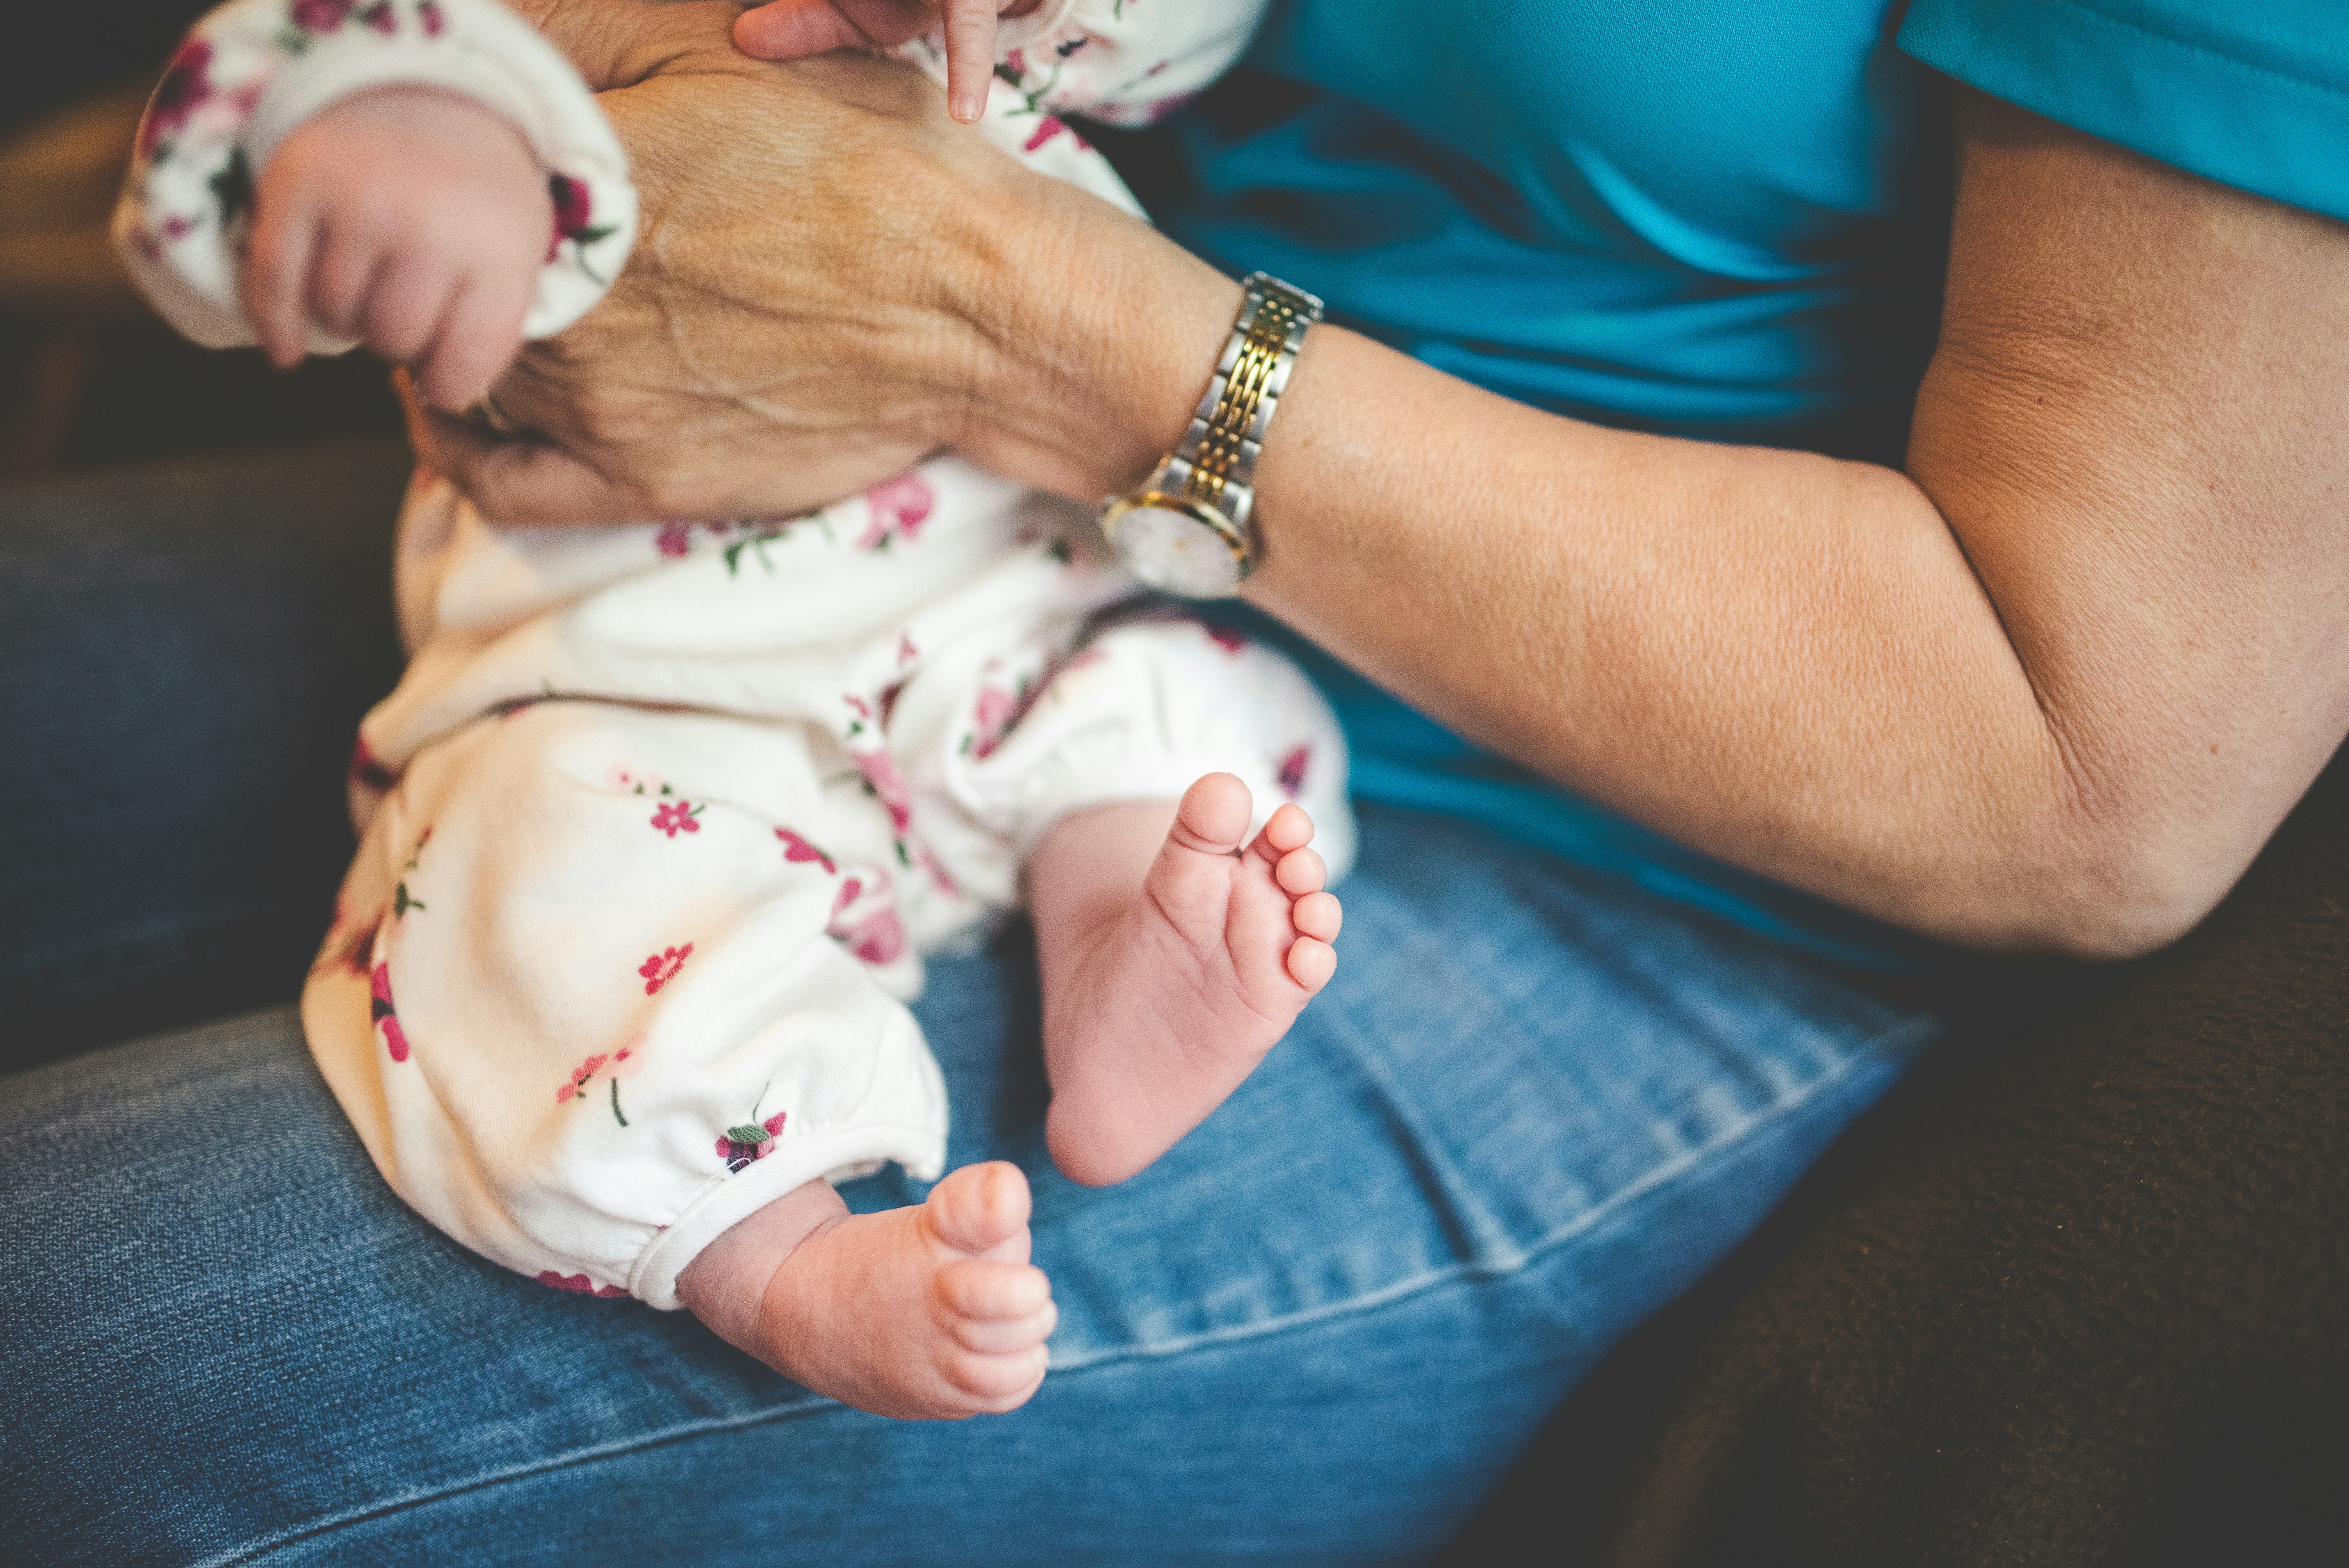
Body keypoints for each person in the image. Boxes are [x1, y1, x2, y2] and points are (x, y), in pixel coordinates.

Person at [4, 0, 2342, 1559]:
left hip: (1545, 809)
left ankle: (784, 1206)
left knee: (71, 1332)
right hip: (809, 521)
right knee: (504, 788)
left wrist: (1014, 313)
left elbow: (2091, 770)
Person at [112, 0, 1352, 1423]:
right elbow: (237, 114)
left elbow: (1182, 35)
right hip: (645, 677)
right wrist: (385, 128)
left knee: (1182, 718)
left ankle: (1119, 951)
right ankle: (782, 1262)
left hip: (1008, 604)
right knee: (534, 869)